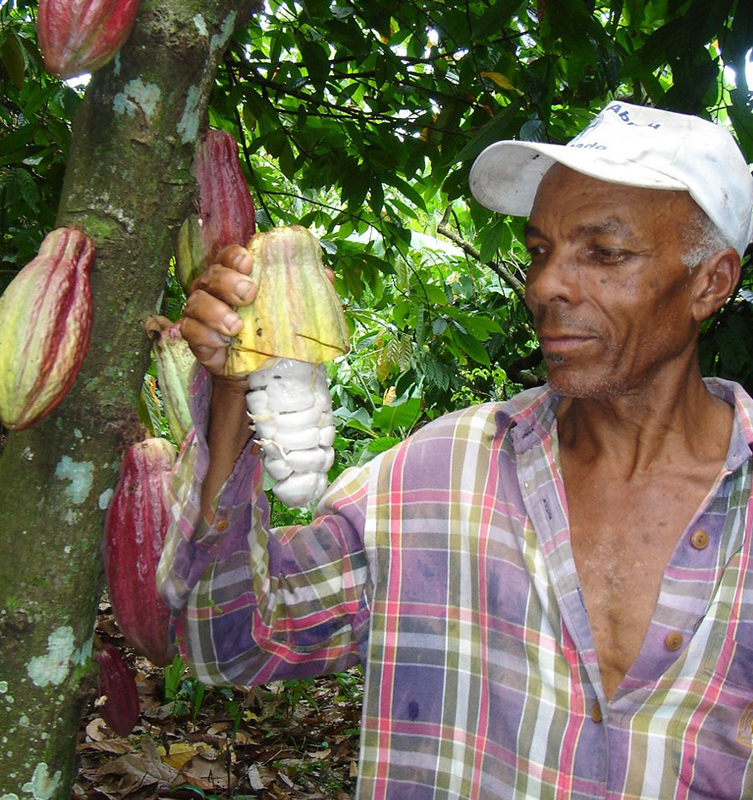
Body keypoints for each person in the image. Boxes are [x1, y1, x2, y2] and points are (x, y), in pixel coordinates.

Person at [157, 101, 753, 799]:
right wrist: (235, 389)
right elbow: (224, 640)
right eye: (539, 251)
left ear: (711, 282)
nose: (546, 285)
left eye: (604, 253)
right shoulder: (435, 477)